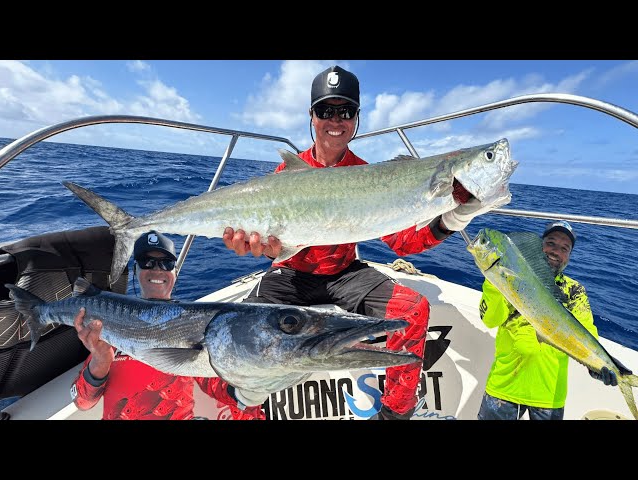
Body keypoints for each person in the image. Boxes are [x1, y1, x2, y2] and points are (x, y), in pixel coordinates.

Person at [222, 65, 493, 419]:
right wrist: (252, 248)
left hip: (345, 274)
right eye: (326, 110)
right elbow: (264, 244)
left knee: (412, 310)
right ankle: (246, 408)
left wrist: (454, 218)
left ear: (357, 118)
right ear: (311, 116)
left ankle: (396, 412)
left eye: (345, 111)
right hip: (290, 274)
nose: (336, 120)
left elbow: (403, 244)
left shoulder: (370, 176)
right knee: (235, 329)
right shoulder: (287, 175)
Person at [70, 230, 264, 420]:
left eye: (166, 263)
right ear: (136, 270)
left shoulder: (192, 325)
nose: (157, 269)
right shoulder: (112, 324)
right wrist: (100, 363)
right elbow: (82, 402)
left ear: (175, 271)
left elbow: (216, 384)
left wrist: (248, 392)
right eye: (147, 262)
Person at [477, 220, 617, 420]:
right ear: (540, 246)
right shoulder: (511, 276)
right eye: (551, 243)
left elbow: (586, 330)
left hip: (549, 396)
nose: (555, 251)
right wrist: (493, 279)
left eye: (564, 248)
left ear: (568, 256)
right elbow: (490, 319)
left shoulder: (575, 291)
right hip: (503, 388)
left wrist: (597, 364)